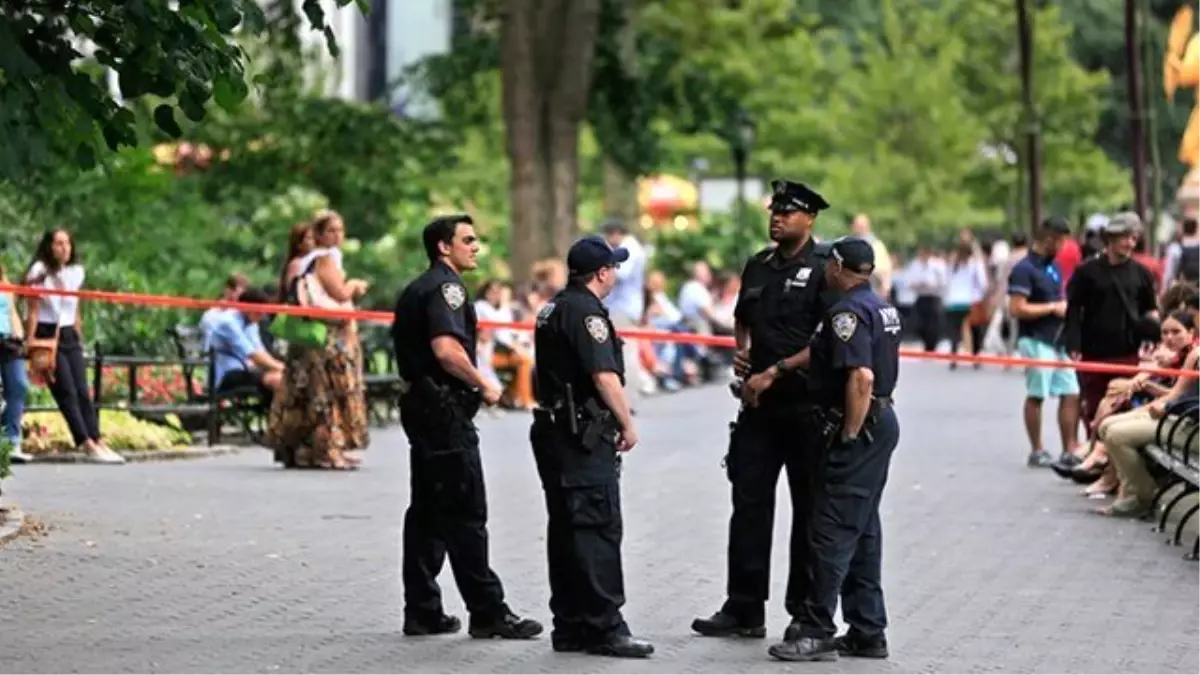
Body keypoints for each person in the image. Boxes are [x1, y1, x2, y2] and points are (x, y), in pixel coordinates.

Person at [692, 179, 835, 640]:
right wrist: (743, 351)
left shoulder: (825, 269)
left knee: (809, 511)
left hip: (807, 406)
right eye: (774, 210)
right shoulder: (758, 265)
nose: (777, 217)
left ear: (809, 219)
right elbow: (742, 316)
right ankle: (744, 607)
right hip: (759, 406)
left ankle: (803, 610)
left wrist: (774, 370)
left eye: (788, 212)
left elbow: (832, 337)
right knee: (748, 503)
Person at [391, 214, 542, 640]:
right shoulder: (447, 288)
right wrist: (485, 383)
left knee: (427, 512)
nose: (476, 247)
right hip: (443, 412)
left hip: (420, 409)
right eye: (468, 240)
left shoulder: (418, 287)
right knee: (465, 510)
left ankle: (422, 610)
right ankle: (488, 610)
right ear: (444, 246)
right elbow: (446, 349)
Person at [767, 237, 902, 663]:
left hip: (861, 429)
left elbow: (860, 377)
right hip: (880, 425)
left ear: (841, 267)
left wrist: (848, 433)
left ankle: (816, 629)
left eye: (829, 262)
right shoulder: (879, 305)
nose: (824, 268)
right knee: (862, 529)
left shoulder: (846, 312)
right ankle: (866, 628)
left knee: (830, 532)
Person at [529, 234, 654, 658]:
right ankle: (605, 626)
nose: (616, 273)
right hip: (580, 434)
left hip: (553, 429)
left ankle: (571, 624)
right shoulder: (587, 314)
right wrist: (627, 423)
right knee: (596, 528)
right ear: (602, 273)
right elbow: (604, 377)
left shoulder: (554, 307)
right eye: (613, 267)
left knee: (566, 529)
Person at [266, 211, 371, 470]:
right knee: (327, 395)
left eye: (341, 230)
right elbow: (339, 292)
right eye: (331, 230)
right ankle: (326, 450)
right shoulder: (322, 260)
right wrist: (355, 286)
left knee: (317, 395)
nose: (338, 235)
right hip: (323, 340)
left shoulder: (319, 260)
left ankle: (319, 449)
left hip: (320, 338)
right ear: (320, 234)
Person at [23, 229, 124, 464]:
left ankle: (97, 439)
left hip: (68, 334)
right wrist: (31, 343)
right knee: (65, 390)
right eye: (58, 243)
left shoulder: (75, 271)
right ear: (49, 246)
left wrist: (79, 335)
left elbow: (74, 307)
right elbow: (34, 309)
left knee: (81, 389)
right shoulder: (38, 271)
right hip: (47, 332)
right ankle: (84, 442)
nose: (64, 248)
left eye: (67, 243)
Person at [1061, 212, 1159, 451]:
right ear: (1111, 240)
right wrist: (1073, 343)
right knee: (1093, 404)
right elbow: (1073, 309)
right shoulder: (1087, 272)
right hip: (1094, 350)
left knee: (1122, 405)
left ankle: (1108, 456)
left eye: (1133, 238)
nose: (1129, 243)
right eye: (1124, 238)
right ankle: (1095, 450)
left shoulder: (1141, 273)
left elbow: (1150, 309)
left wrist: (1152, 336)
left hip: (1128, 349)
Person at [1007, 217, 1081, 468]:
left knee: (1071, 391)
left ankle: (1069, 448)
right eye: (1061, 241)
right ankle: (1037, 448)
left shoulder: (1054, 268)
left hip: (1057, 339)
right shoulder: (1024, 269)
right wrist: (1051, 308)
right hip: (1035, 338)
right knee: (1037, 393)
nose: (1064, 247)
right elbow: (1017, 308)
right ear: (1049, 239)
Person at [204, 288, 285, 397]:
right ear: (246, 307)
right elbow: (253, 354)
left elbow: (260, 351)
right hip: (226, 375)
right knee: (277, 380)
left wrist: (280, 368)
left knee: (282, 378)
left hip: (245, 370)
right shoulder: (228, 323)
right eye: (259, 311)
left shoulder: (251, 323)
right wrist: (282, 368)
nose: (262, 315)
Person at [0, 261, 30, 463]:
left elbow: (11, 311)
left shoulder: (4, 282)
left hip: (8, 340)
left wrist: (20, 335)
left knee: (19, 385)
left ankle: (11, 440)